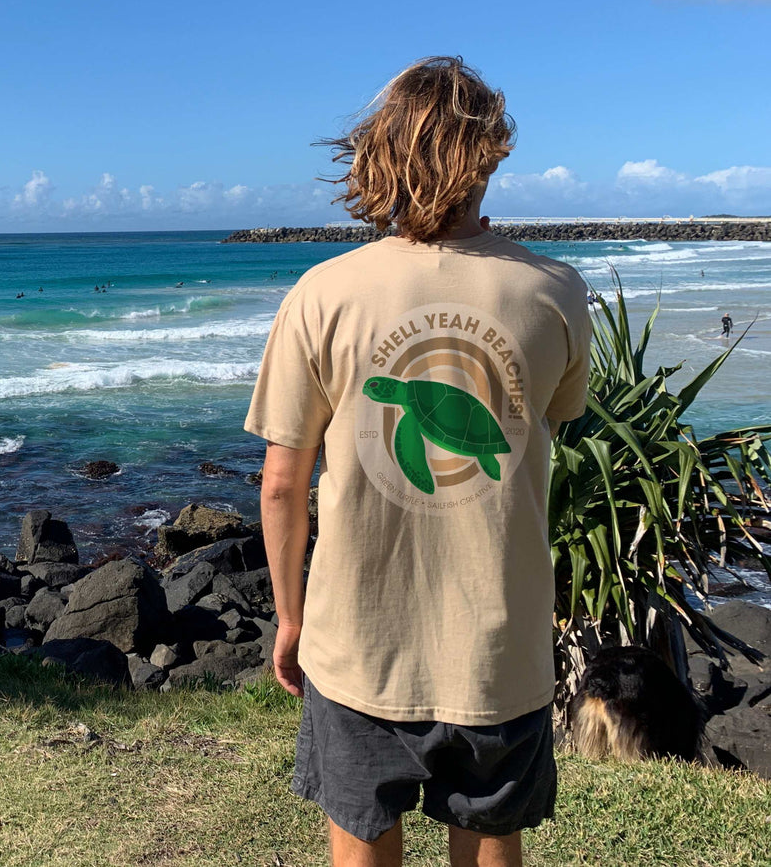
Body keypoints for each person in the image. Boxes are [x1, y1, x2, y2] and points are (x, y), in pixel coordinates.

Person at [246, 57, 590, 867]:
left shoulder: (321, 292)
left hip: (359, 642)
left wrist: (291, 620)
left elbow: (281, 486)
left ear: (377, 155)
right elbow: (548, 424)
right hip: (496, 646)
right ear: (491, 154)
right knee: (488, 837)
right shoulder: (553, 290)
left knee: (362, 836)